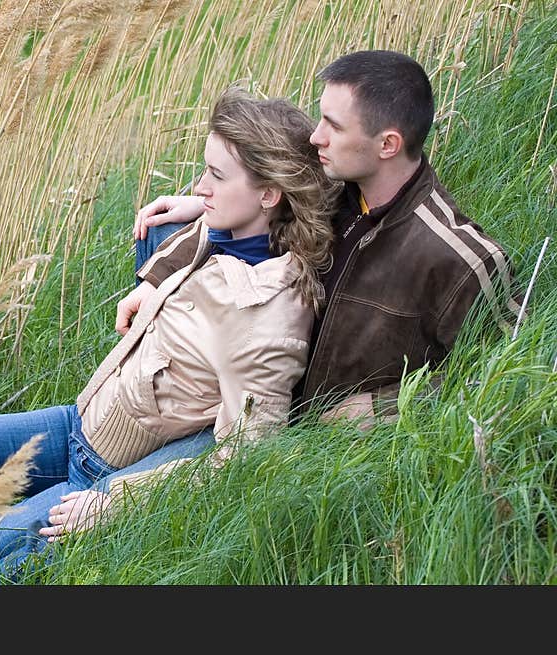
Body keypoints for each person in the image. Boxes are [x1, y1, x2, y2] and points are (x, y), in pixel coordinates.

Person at [0, 86, 338, 584]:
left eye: (214, 177)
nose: (199, 186)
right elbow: (214, 233)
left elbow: (244, 456)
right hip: (75, 424)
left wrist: (114, 501)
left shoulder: (264, 319)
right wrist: (183, 227)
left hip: (97, 478)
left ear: (269, 193)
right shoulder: (231, 229)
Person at [125, 50, 519, 424]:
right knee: (163, 228)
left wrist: (384, 406)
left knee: (108, 492)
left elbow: (508, 371)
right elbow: (248, 194)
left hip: (294, 430)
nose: (316, 137)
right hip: (243, 384)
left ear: (387, 144)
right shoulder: (330, 184)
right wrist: (160, 273)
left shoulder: (459, 259)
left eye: (333, 125)